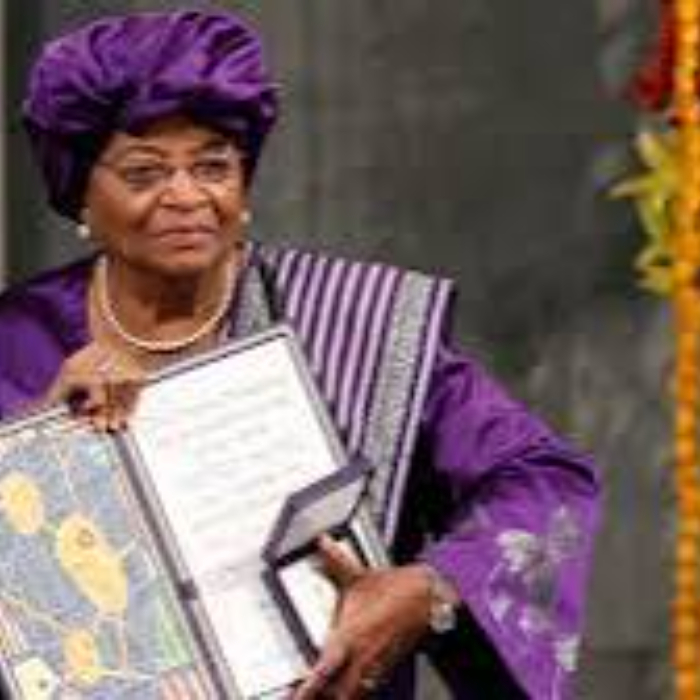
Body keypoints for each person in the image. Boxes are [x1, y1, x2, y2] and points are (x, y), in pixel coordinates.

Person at [0, 9, 600, 699]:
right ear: (80, 193)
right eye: (144, 173)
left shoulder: (360, 323)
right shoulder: (17, 345)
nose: (186, 196)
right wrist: (36, 450)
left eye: (213, 166)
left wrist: (429, 587)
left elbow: (542, 478)